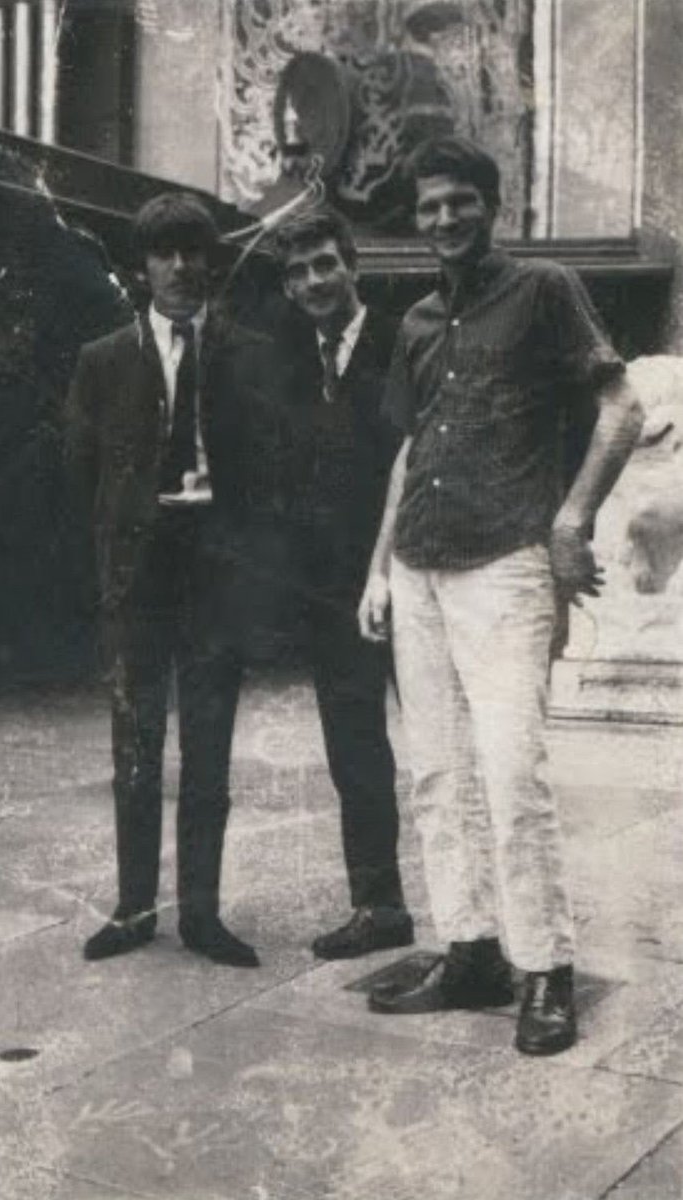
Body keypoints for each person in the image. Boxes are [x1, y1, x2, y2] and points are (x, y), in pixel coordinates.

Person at [358, 137, 643, 1054]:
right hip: (418, 569)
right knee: (436, 774)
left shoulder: (544, 289)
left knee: (511, 773)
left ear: (492, 204)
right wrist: (376, 568)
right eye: (429, 206)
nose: (443, 219)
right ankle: (469, 950)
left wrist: (570, 523)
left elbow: (621, 408)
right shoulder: (416, 321)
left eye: (460, 203)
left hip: (505, 565)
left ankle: (546, 969)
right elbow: (410, 452)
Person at [67, 192, 275, 969]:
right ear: (142, 265)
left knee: (210, 751)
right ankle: (131, 909)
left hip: (216, 574)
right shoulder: (102, 360)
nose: (183, 266)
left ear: (212, 260)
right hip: (139, 578)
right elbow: (80, 477)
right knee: (134, 745)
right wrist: (112, 566)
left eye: (195, 250)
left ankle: (201, 916)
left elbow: (269, 473)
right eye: (166, 252)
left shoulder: (249, 352)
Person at [273, 208, 414, 959]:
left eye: (324, 264)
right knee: (354, 753)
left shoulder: (403, 342)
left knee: (445, 748)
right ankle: (378, 905)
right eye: (296, 273)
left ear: (352, 266)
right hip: (331, 597)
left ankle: (482, 917)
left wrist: (385, 569)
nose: (312, 282)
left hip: (412, 579)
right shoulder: (293, 361)